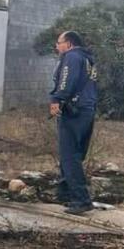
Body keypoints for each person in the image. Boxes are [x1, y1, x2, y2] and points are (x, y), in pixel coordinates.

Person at [49, 30, 98, 214]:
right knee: (75, 154)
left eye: (58, 42)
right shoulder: (88, 59)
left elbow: (66, 80)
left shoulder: (71, 57)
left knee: (69, 155)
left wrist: (57, 99)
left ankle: (81, 200)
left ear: (68, 44)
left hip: (73, 111)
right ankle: (65, 193)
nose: (57, 46)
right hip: (87, 110)